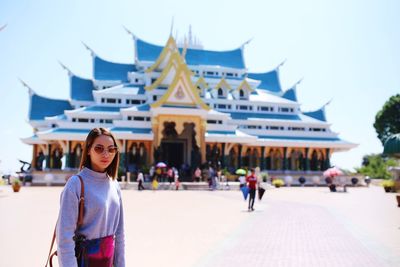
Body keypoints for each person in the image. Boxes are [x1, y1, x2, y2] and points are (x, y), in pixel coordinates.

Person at [56, 128, 125, 266]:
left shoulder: (114, 184)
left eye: (111, 149)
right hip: (84, 261)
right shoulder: (75, 184)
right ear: (88, 150)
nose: (106, 154)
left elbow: (119, 234)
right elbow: (64, 237)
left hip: (108, 261)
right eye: (99, 148)